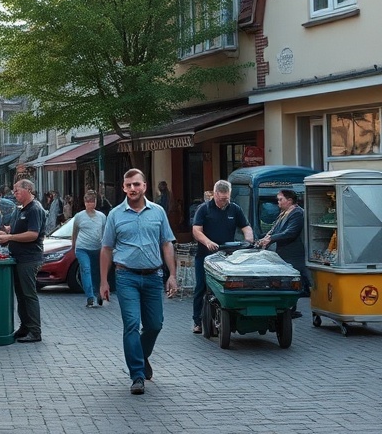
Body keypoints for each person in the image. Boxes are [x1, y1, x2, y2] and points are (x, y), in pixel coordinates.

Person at [99, 169, 177, 396]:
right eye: (128, 185)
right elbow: (106, 249)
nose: (132, 189)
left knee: (155, 325)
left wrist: (172, 275)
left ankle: (141, 356)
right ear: (124, 188)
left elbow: (167, 244)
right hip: (126, 277)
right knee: (132, 324)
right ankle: (137, 375)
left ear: (144, 186)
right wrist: (103, 281)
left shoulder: (158, 212)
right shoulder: (115, 215)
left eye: (136, 185)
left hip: (154, 276)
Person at [191, 180, 254, 334]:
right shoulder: (204, 209)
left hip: (227, 256)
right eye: (222, 199)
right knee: (201, 286)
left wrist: (249, 239)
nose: (224, 201)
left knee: (225, 286)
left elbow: (246, 227)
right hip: (205, 255)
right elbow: (196, 230)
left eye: (227, 198)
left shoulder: (235, 209)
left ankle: (225, 316)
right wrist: (208, 242)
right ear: (215, 194)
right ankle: (198, 321)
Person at [0, 178, 46, 343]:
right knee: (21, 295)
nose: (14, 194)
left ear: (28, 189)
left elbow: (33, 234)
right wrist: (4, 232)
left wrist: (10, 236)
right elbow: (14, 228)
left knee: (29, 295)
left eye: (17, 191)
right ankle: (25, 327)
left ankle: (35, 331)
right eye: (14, 191)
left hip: (29, 258)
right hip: (17, 257)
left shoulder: (34, 209)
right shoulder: (20, 209)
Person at [256, 188, 310, 316]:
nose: (278, 203)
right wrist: (263, 238)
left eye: (280, 200)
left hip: (293, 254)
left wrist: (271, 238)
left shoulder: (297, 213)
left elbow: (290, 232)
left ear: (290, 200)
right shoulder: (284, 213)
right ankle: (287, 308)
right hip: (283, 254)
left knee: (291, 282)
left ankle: (291, 309)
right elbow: (275, 229)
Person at [71, 190, 106, 308]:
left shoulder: (101, 217)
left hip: (97, 249)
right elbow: (75, 232)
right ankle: (90, 297)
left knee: (96, 273)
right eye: (88, 201)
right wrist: (74, 246)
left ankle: (98, 294)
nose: (90, 203)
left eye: (93, 201)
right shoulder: (79, 216)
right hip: (82, 248)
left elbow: (105, 233)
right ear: (85, 202)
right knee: (86, 270)